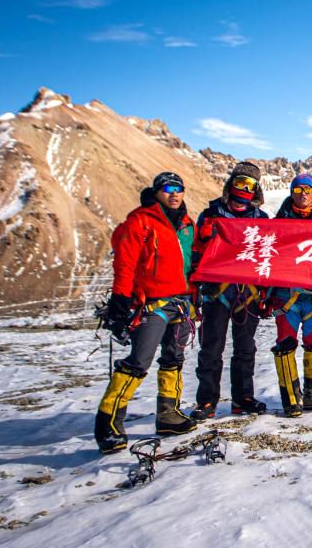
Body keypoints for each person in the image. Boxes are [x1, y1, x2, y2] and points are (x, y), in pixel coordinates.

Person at [94, 172, 197, 454]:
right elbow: (125, 266)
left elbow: (194, 261)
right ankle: (108, 423)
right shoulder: (140, 222)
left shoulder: (188, 225)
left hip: (182, 302)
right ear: (157, 192)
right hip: (152, 304)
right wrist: (120, 300)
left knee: (174, 358)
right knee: (139, 361)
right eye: (168, 189)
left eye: (179, 189)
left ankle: (168, 414)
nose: (174, 194)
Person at [190, 162, 268, 421]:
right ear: (230, 183)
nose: (243, 189)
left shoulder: (263, 220)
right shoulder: (210, 215)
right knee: (211, 347)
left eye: (249, 185)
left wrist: (267, 292)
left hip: (248, 293)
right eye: (239, 183)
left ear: (256, 189)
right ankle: (207, 401)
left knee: (246, 347)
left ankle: (242, 398)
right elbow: (196, 253)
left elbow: (270, 257)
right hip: (216, 292)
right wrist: (193, 288)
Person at [268, 173, 312, 416]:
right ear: (291, 193)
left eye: (308, 190)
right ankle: (290, 397)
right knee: (286, 343)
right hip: (285, 295)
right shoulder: (276, 224)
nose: (303, 194)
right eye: (298, 190)